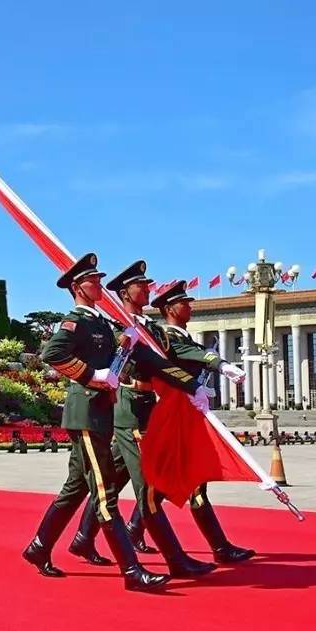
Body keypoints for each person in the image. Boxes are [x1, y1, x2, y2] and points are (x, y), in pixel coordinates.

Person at [20, 253, 203, 591]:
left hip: (101, 412)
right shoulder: (75, 321)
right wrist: (92, 375)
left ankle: (38, 547)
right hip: (86, 414)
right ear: (78, 287)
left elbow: (145, 358)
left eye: (99, 279)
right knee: (105, 495)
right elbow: (53, 354)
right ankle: (132, 573)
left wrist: (192, 385)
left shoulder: (103, 324)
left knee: (75, 489)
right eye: (93, 281)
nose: (99, 285)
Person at [67, 261, 242, 577]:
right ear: (125, 292)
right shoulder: (117, 327)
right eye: (142, 286)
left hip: (147, 408)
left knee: (114, 479)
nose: (148, 289)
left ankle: (83, 537)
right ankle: (175, 558)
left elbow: (165, 362)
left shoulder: (153, 329)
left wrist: (196, 383)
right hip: (130, 408)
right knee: (147, 485)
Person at [152, 281, 256, 564]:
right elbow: (195, 355)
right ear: (168, 309)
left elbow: (195, 353)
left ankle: (219, 547)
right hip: (172, 418)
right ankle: (219, 547)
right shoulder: (168, 337)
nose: (189, 306)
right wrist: (221, 364)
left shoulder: (182, 337)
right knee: (157, 484)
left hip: (186, 416)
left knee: (175, 483)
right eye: (183, 302)